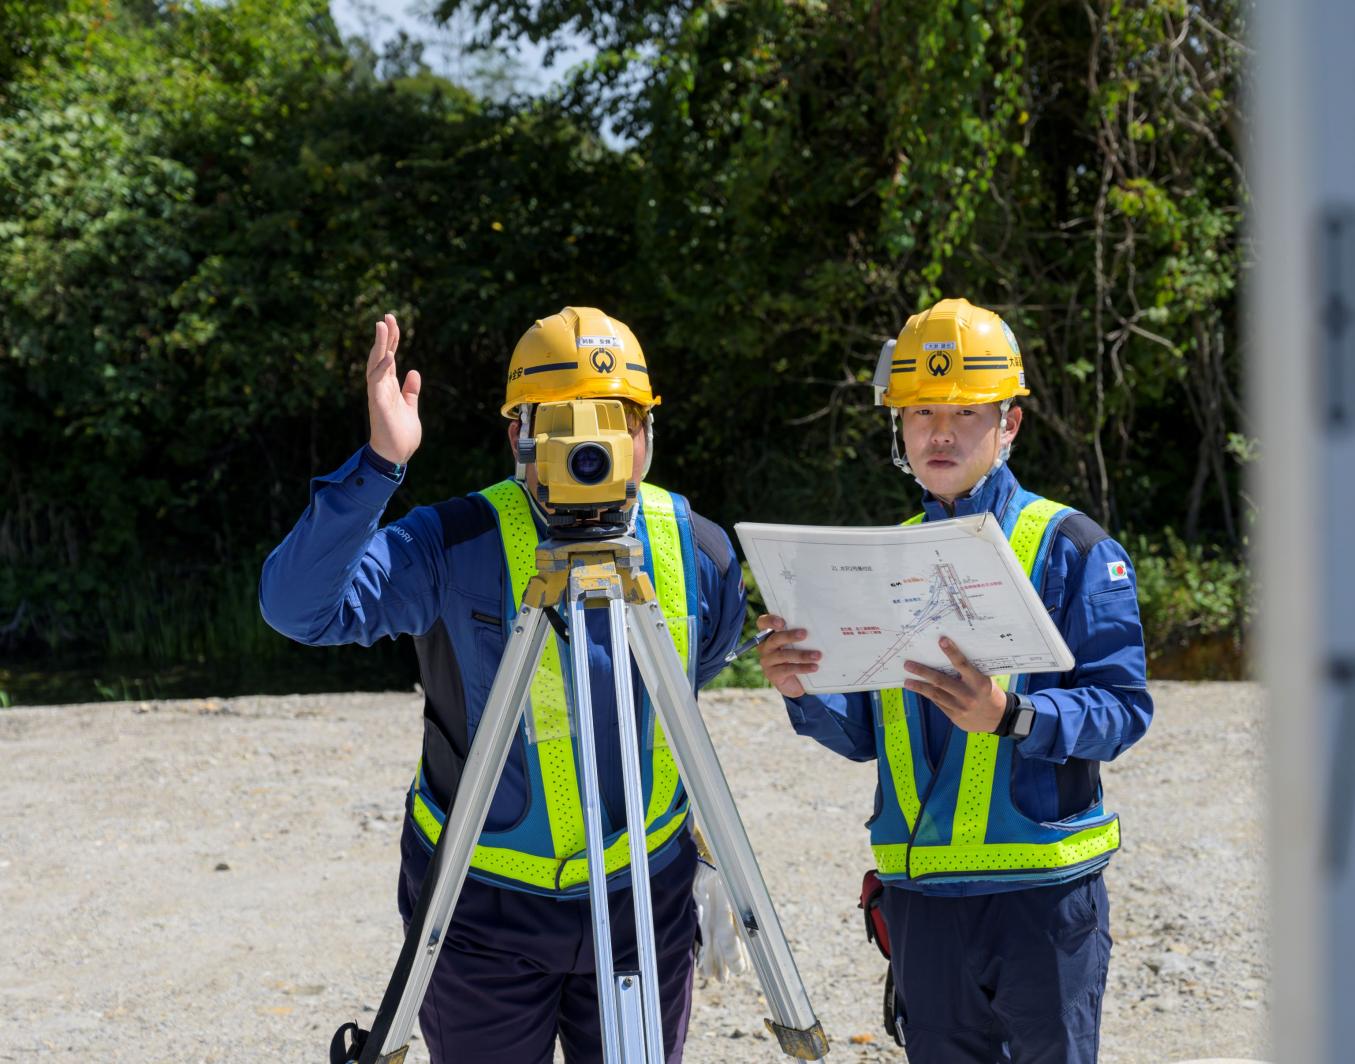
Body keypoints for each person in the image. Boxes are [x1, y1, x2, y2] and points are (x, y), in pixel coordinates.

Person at [260, 308, 746, 1063]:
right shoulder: (453, 544)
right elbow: (299, 609)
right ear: (515, 434)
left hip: (640, 901)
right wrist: (380, 465)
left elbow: (692, 678)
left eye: (616, 420)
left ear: (649, 432)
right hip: (478, 908)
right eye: (559, 422)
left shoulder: (699, 550)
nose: (591, 445)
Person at [757, 297, 1153, 1062]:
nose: (939, 431)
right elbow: (873, 734)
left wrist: (1014, 716)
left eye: (964, 413)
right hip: (921, 904)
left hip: (1038, 901)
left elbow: (1124, 709)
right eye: (920, 412)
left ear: (1009, 423)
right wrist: (805, 691)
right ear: (898, 427)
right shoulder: (881, 554)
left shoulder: (1071, 547)